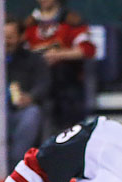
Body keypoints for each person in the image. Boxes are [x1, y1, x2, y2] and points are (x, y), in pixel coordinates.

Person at [0, 19, 50, 164]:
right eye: (2, 36)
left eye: (10, 37)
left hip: (21, 111)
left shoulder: (33, 60)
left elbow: (44, 84)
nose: (5, 41)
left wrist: (31, 97)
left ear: (21, 37)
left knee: (33, 114)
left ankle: (16, 164)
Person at [23, 0, 97, 130]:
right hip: (35, 83)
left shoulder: (71, 21)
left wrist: (59, 55)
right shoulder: (29, 24)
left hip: (65, 85)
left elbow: (87, 50)